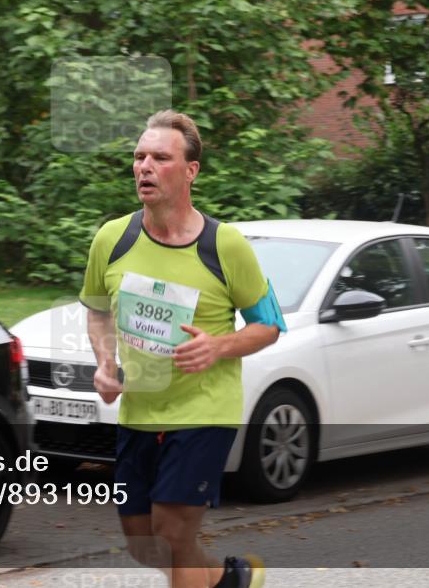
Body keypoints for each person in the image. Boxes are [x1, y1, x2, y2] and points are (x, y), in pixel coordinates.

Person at [79, 110, 285, 588]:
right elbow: (96, 311)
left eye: (160, 158)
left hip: (204, 412)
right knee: (143, 544)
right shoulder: (112, 239)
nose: (144, 167)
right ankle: (228, 581)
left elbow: (269, 326)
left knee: (171, 534)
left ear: (190, 170)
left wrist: (219, 346)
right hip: (140, 412)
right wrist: (106, 363)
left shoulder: (224, 245)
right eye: (139, 157)